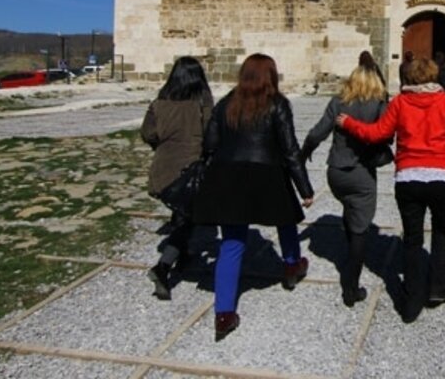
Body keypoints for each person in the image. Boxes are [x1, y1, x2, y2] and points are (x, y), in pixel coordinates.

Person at [335, 58, 445, 323]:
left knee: (412, 239)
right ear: (433, 76)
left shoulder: (399, 102)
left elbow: (377, 134)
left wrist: (349, 123)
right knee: (441, 234)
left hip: (408, 178)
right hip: (441, 178)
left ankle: (410, 304)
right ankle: (437, 289)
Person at [193, 53, 315, 341]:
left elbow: (209, 145)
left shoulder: (226, 104)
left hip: (229, 175)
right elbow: (289, 149)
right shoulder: (278, 104)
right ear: (270, 75)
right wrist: (304, 189)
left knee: (232, 243)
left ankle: (223, 313)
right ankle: (291, 265)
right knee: (285, 219)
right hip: (267, 174)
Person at [300, 65, 389, 307]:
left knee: (350, 211)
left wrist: (304, 153)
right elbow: (386, 135)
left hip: (336, 173)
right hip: (362, 173)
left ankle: (349, 255)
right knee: (361, 228)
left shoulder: (339, 102)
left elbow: (318, 133)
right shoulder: (380, 104)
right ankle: (351, 288)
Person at [140, 56, 213, 300]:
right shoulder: (201, 101)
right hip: (189, 172)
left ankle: (184, 255)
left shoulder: (159, 103)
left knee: (182, 213)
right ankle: (162, 268)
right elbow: (211, 133)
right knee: (189, 219)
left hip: (161, 172)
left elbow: (148, 134)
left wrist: (164, 146)